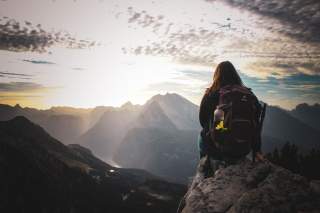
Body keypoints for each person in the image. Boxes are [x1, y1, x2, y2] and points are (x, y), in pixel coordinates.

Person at [198, 61, 264, 176]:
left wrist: (220, 128)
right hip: (243, 148)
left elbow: (203, 121)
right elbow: (256, 124)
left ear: (216, 75)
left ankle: (206, 170)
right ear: (235, 75)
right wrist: (257, 149)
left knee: (201, 136)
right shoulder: (249, 95)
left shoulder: (212, 94)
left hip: (219, 149)